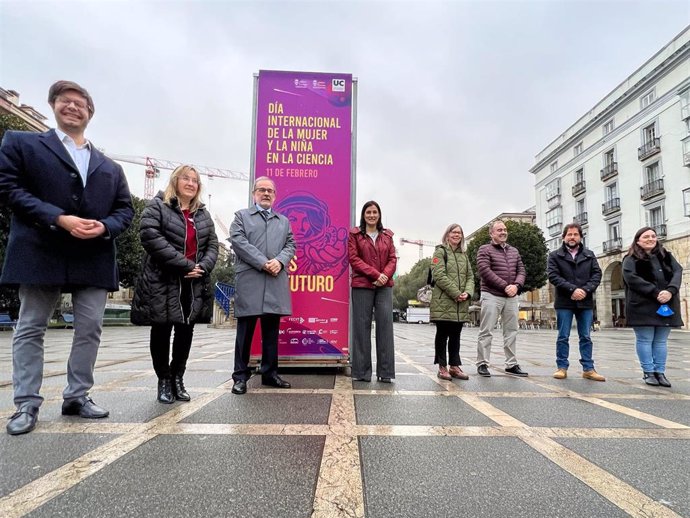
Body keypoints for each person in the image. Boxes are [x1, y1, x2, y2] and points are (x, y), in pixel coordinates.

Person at [0, 81, 134, 435]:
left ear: (90, 112)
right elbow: (9, 188)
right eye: (65, 101)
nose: (73, 107)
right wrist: (58, 218)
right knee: (31, 327)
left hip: (93, 254)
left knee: (89, 329)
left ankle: (77, 396)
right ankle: (26, 404)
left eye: (80, 103)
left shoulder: (109, 165)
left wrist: (104, 227)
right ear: (53, 105)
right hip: (41, 248)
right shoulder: (23, 143)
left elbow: (125, 210)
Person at [131, 166, 218, 403]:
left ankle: (178, 378)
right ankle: (164, 380)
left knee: (185, 331)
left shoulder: (203, 214)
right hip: (163, 279)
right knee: (160, 330)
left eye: (195, 180)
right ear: (175, 181)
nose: (191, 183)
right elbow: (150, 236)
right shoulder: (157, 205)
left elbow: (212, 245)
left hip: (193, 283)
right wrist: (185, 265)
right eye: (186, 179)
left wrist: (203, 267)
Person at [230, 177, 295, 395]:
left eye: (270, 191)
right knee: (245, 333)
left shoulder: (283, 221)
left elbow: (290, 244)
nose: (266, 194)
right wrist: (263, 262)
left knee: (270, 332)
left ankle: (270, 373)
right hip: (251, 280)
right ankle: (240, 377)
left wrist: (279, 261)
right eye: (262, 190)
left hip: (275, 280)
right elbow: (238, 241)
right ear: (254, 193)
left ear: (275, 195)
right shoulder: (241, 217)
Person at [622, 227, 683, 387]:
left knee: (661, 341)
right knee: (645, 339)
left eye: (653, 236)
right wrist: (656, 292)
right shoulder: (630, 259)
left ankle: (660, 372)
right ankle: (648, 372)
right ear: (638, 240)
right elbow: (631, 278)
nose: (650, 239)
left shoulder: (667, 256)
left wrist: (670, 291)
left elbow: (678, 272)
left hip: (666, 304)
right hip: (643, 305)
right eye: (646, 236)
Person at [547, 223, 605, 381]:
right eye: (569, 234)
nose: (572, 237)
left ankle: (588, 368)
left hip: (585, 302)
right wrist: (572, 289)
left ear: (580, 236)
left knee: (586, 336)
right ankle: (561, 367)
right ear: (563, 237)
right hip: (565, 301)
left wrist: (585, 290)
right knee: (563, 336)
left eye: (575, 234)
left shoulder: (589, 255)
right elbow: (553, 276)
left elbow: (597, 275)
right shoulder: (554, 256)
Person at [348, 201, 397, 383]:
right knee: (361, 327)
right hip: (362, 285)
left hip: (384, 286)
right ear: (363, 215)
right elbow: (354, 259)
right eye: (368, 212)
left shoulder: (387, 236)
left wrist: (384, 276)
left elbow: (392, 258)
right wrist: (376, 274)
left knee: (385, 327)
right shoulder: (355, 235)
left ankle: (386, 372)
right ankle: (361, 372)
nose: (371, 215)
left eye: (375, 212)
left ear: (379, 215)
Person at [475, 220, 528, 377]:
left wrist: (516, 286)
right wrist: (505, 286)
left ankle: (511, 364)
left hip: (511, 296)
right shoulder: (484, 249)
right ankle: (482, 363)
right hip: (491, 295)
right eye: (499, 230)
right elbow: (484, 270)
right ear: (491, 233)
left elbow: (522, 271)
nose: (503, 232)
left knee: (512, 331)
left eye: (505, 229)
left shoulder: (514, 251)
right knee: (486, 331)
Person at [430, 224, 474, 381]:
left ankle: (454, 366)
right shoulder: (440, 252)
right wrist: (456, 293)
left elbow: (470, 277)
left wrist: (467, 293)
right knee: (442, 335)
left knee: (456, 335)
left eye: (459, 233)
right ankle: (442, 367)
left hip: (460, 303)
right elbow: (439, 275)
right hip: (444, 302)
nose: (457, 235)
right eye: (453, 232)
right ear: (447, 235)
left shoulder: (464, 255)